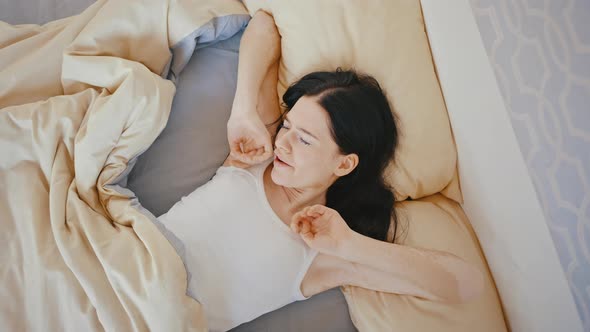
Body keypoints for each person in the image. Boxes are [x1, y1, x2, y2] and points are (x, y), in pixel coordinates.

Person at [158, 10, 484, 332]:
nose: (284, 143)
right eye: (287, 125)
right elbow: (263, 26)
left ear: (344, 163)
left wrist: (349, 245)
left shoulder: (325, 255)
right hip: (123, 261)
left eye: (305, 139)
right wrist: (242, 111)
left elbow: (466, 284)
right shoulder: (255, 159)